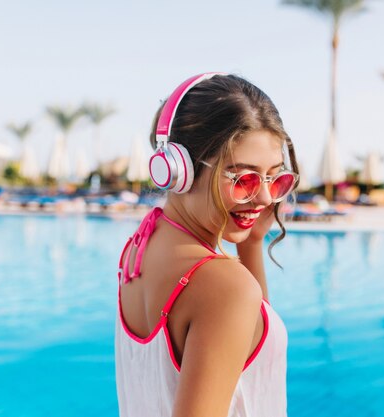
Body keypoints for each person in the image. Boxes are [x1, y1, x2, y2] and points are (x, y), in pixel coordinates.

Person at [115, 72, 299, 417]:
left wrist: (251, 244)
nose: (263, 197)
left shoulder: (140, 247)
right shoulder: (224, 286)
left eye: (275, 178)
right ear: (178, 170)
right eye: (243, 178)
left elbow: (249, 348)